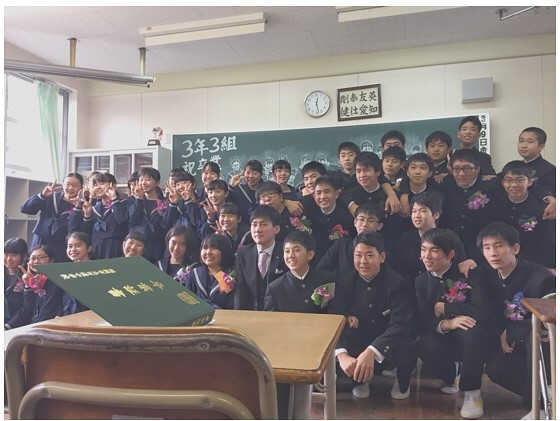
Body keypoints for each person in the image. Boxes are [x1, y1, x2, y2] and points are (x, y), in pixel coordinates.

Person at [415, 228, 493, 419]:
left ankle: (472, 392)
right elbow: (425, 317)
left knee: (473, 331)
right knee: (423, 343)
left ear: (450, 254)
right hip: (442, 334)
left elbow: (480, 310)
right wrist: (447, 324)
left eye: (434, 251)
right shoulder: (420, 281)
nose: (427, 256)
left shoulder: (468, 272)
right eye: (423, 250)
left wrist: (445, 308)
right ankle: (450, 377)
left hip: (468, 330)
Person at [330, 232, 417, 401]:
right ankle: (360, 380)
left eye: (370, 255)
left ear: (381, 257)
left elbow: (401, 322)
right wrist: (342, 355)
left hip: (388, 342)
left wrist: (372, 350)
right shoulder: (344, 281)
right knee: (347, 334)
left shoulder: (397, 283)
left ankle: (401, 381)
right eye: (358, 255)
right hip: (360, 338)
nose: (363, 261)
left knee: (408, 345)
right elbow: (335, 316)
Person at [477, 222, 555, 407]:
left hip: (541, 341)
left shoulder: (541, 277)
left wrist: (513, 331)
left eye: (499, 246)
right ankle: (543, 398)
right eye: (487, 248)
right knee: (496, 369)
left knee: (536, 339)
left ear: (516, 248)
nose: (493, 253)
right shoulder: (486, 274)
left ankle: (537, 405)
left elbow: (551, 319)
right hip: (514, 347)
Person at [264, 230, 336, 419]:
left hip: (319, 344)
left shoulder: (326, 280)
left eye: (297, 250)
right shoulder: (275, 287)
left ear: (310, 254)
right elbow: (271, 324)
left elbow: (335, 314)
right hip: (287, 348)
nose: (291, 255)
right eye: (287, 251)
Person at [490, 160, 555, 269]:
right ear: (502, 183)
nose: (514, 185)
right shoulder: (497, 204)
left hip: (538, 261)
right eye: (508, 180)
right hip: (508, 260)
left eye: (520, 180)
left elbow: (550, 239)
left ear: (530, 182)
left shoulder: (542, 207)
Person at [20, 172, 84, 262]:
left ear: (81, 187)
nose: (70, 188)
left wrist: (78, 209)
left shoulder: (83, 206)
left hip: (62, 246)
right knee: (37, 267)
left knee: (58, 269)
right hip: (41, 241)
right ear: (63, 185)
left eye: (75, 185)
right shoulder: (50, 196)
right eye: (68, 184)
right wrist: (42, 196)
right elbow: (25, 209)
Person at [234, 205, 287, 310]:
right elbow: (240, 289)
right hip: (252, 313)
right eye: (254, 225)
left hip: (280, 313)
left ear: (276, 229)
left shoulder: (286, 252)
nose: (258, 230)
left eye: (264, 224)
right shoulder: (243, 253)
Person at [317, 202, 384, 278]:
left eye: (370, 221)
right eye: (361, 219)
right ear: (355, 222)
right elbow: (321, 270)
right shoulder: (342, 245)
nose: (365, 224)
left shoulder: (382, 251)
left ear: (379, 226)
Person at [73, 172, 128, 259]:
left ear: (113, 186)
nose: (98, 187)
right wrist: (87, 215)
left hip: (116, 246)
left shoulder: (123, 203)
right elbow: (86, 233)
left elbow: (121, 220)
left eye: (102, 183)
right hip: (97, 248)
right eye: (95, 185)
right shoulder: (94, 207)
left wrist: (114, 199)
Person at [301, 175, 355, 264]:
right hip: (315, 261)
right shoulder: (308, 210)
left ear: (336, 194)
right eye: (318, 193)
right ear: (314, 196)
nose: (322, 196)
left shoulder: (347, 216)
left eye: (327, 192)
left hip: (341, 260)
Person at [184, 233, 236, 309]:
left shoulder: (231, 276)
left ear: (223, 251)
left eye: (214, 248)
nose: (208, 252)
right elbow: (186, 302)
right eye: (205, 248)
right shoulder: (193, 274)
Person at [128, 167, 167, 263]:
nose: (143, 183)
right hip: (136, 246)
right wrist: (139, 199)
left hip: (156, 247)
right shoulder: (132, 200)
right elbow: (132, 219)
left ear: (157, 182)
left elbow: (166, 224)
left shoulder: (165, 202)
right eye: (141, 180)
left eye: (148, 179)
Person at [19, 245, 63, 323]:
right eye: (33, 258)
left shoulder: (57, 280)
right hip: (35, 324)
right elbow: (28, 308)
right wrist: (28, 285)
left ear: (51, 260)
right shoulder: (34, 279)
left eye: (42, 257)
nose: (36, 261)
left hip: (51, 324)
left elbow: (50, 309)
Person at [517, 126, 555, 196]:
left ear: (541, 147)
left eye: (530, 142)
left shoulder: (550, 170)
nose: (523, 146)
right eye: (521, 141)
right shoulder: (514, 167)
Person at [63, 232, 93, 315]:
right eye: (70, 246)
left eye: (78, 245)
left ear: (89, 248)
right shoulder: (65, 270)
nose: (73, 249)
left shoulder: (97, 270)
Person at [4, 237, 29, 329]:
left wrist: (8, 326)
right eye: (6, 255)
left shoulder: (27, 277)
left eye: (14, 255)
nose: (8, 259)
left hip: (17, 326)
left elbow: (27, 307)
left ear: (24, 256)